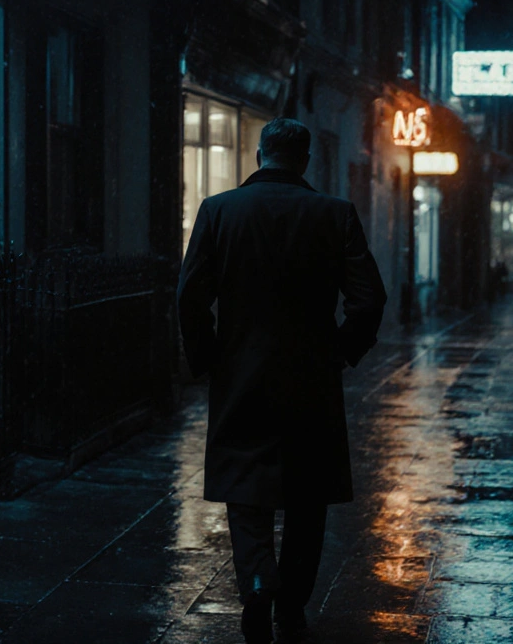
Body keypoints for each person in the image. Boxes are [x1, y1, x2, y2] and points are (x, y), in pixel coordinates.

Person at [177, 118, 387, 644]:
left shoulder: (219, 210)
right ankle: (290, 605)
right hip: (310, 379)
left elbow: (190, 296)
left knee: (245, 491)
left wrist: (207, 359)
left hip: (241, 374)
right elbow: (369, 298)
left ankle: (256, 584)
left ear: (259, 154)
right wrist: (341, 350)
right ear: (306, 160)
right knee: (306, 496)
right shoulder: (334, 214)